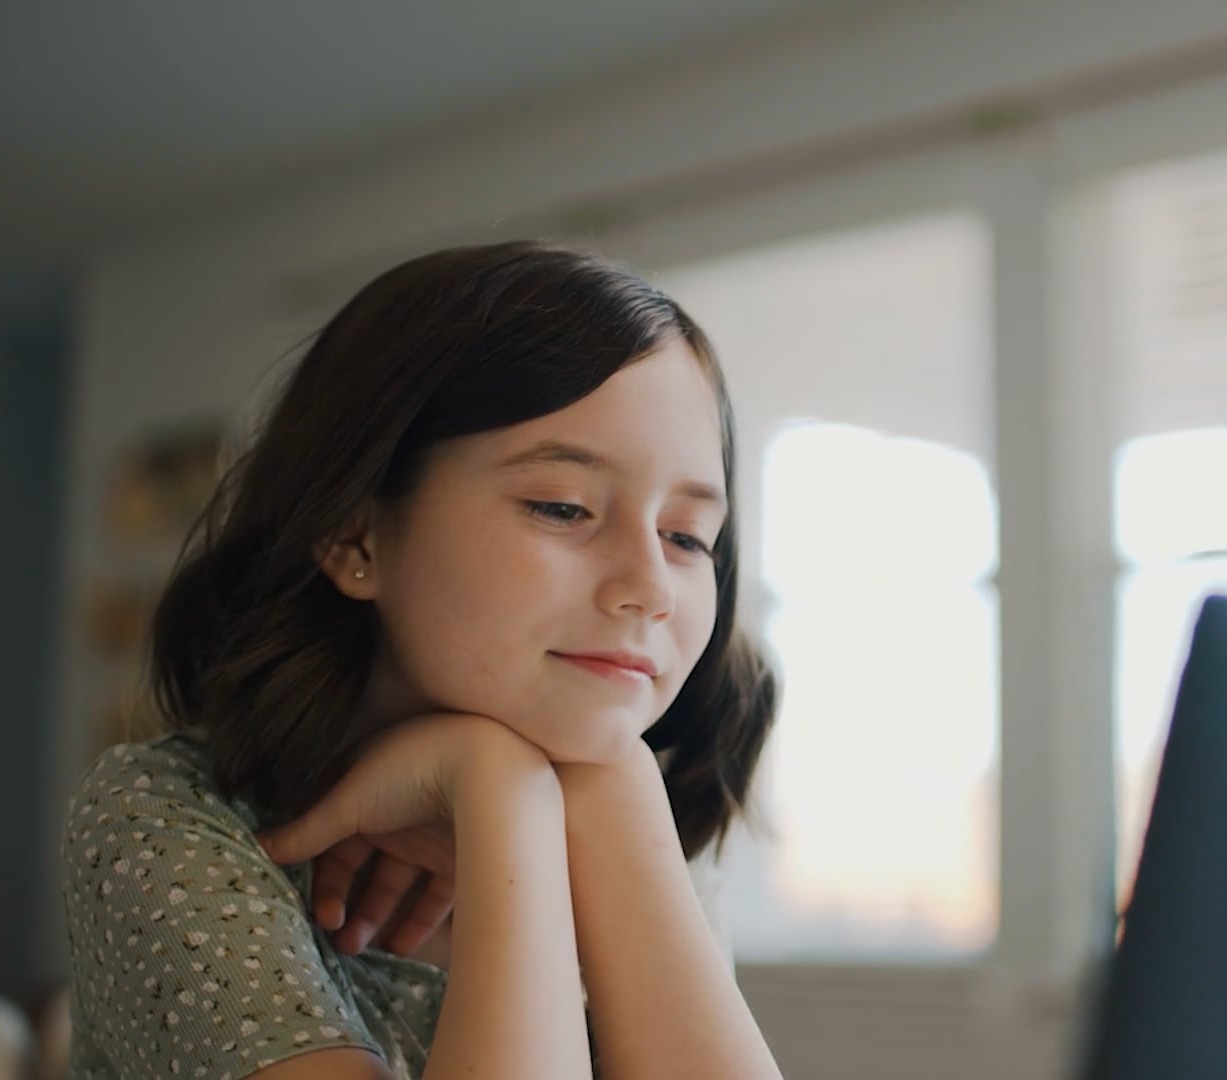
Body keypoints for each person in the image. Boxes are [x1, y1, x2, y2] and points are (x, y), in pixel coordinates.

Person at [59, 241, 784, 1080]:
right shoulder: (163, 821)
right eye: (563, 506)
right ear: (355, 533)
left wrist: (611, 791)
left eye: (687, 536)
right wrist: (500, 789)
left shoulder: (640, 820)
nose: (650, 587)